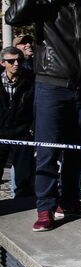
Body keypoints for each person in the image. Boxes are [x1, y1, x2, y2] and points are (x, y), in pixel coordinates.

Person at [5, 0, 81, 232]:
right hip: (50, 85)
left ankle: (69, 201)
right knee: (47, 149)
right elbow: (12, 16)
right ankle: (45, 207)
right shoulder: (44, 5)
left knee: (75, 149)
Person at [0, 47, 35, 197]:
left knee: (24, 177)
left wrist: (32, 129)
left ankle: (23, 207)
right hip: (1, 133)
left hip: (23, 134)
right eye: (11, 61)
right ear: (2, 63)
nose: (16, 64)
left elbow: (37, 106)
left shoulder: (31, 80)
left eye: (19, 60)